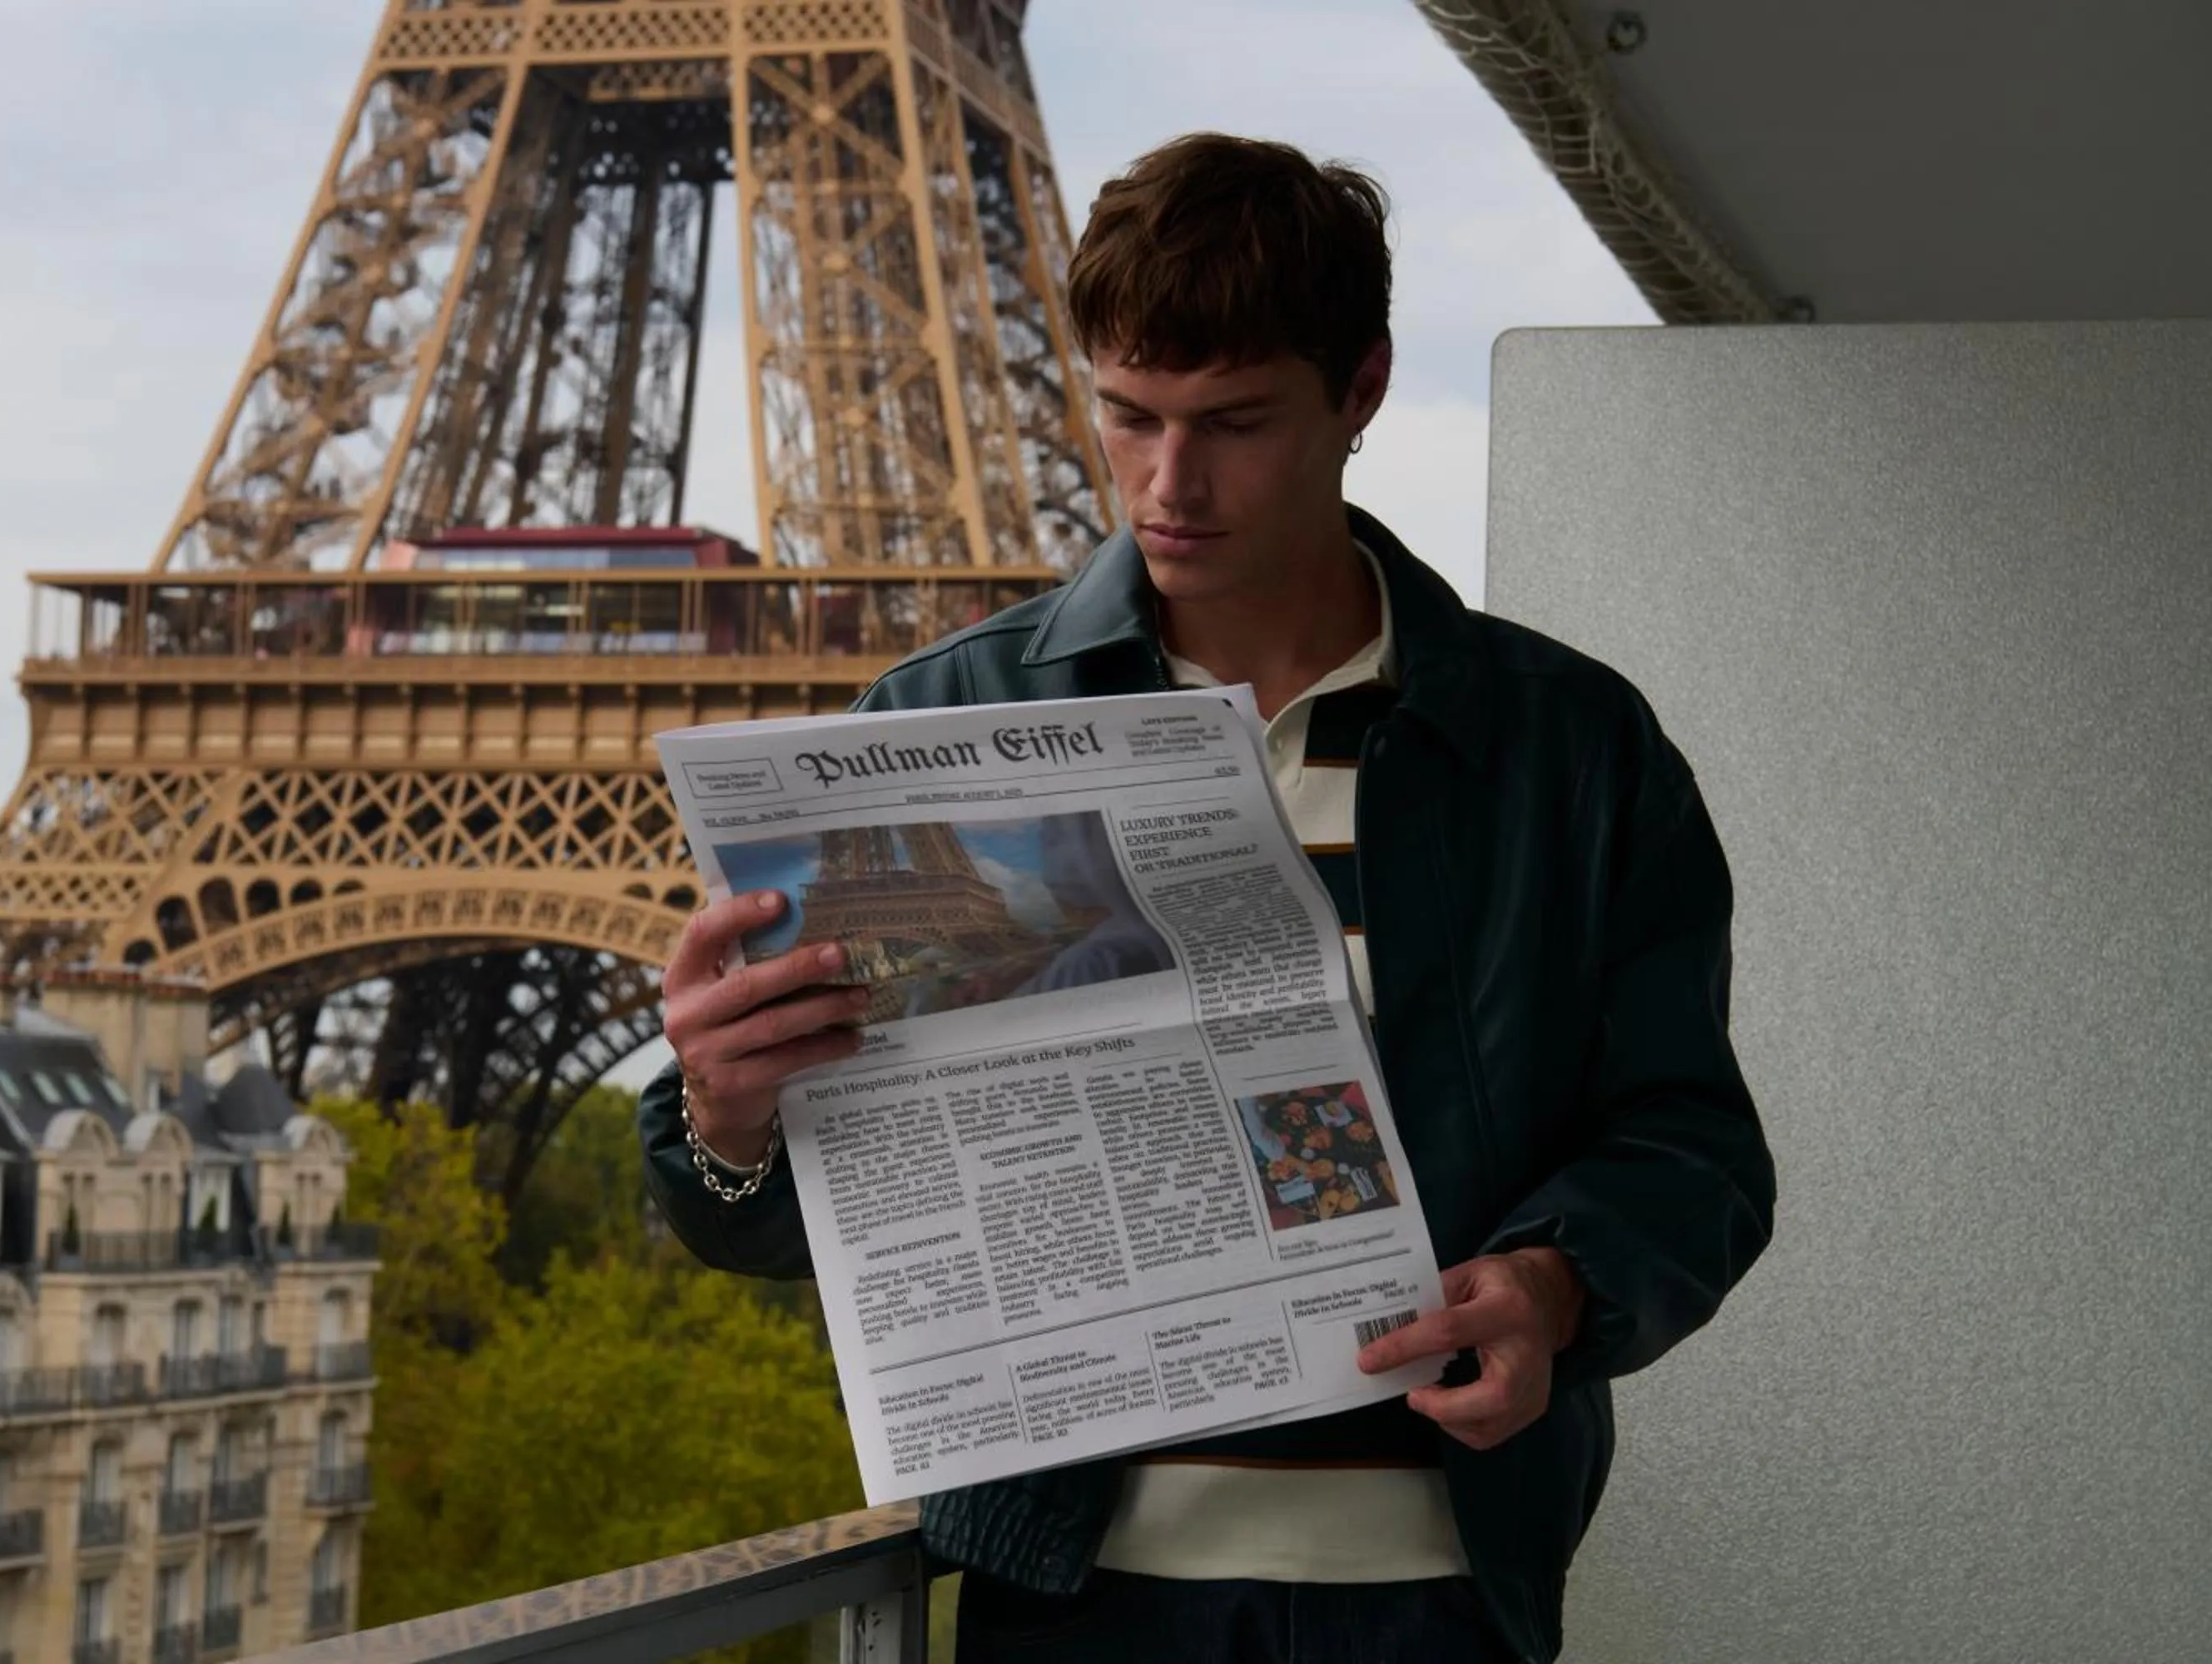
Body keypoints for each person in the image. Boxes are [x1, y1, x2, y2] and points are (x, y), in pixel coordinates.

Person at [637, 132, 1775, 1663]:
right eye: (1128, 415)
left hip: (1436, 1600)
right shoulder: (933, 729)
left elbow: (1694, 1145)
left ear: (1362, 390)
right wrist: (726, 1122)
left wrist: (1558, 1287)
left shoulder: (1569, 749)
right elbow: (797, 1227)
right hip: (1071, 1601)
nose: (1169, 485)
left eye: (1234, 423)